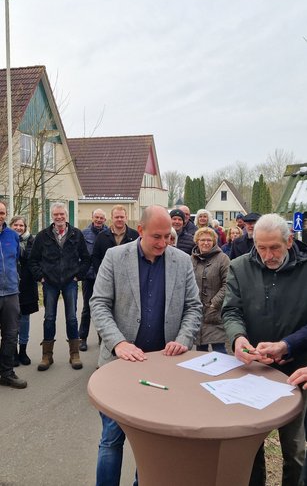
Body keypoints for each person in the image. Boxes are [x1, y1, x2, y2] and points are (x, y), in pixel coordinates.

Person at [90, 205, 202, 486]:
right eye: (157, 237)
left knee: (152, 442)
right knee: (111, 439)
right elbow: (99, 304)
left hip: (163, 367)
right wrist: (118, 343)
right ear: (140, 231)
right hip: (120, 366)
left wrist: (183, 339)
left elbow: (193, 308)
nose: (163, 243)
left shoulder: (181, 261)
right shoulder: (115, 257)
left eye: (168, 236)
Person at [222, 213, 307, 486]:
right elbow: (231, 310)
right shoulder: (239, 267)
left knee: (294, 448)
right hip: (253, 370)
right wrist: (238, 339)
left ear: (289, 240)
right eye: (261, 248)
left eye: (275, 248)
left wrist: (287, 345)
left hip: (296, 372)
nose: (268, 255)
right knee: (250, 446)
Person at [29, 202, 90, 371]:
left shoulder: (76, 234)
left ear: (66, 215)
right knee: (49, 318)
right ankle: (47, 356)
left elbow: (86, 258)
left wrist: (79, 275)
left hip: (70, 282)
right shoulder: (43, 236)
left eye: (62, 214)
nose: (59, 217)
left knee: (71, 317)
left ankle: (74, 354)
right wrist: (40, 277)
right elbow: (33, 260)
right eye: (56, 214)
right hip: (50, 283)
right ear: (52, 216)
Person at [0, 201, 27, 389]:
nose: (0, 215)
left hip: (10, 293)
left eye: (2, 212)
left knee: (11, 335)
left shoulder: (12, 236)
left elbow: (15, 258)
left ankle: (7, 373)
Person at [191, 227, 230, 353]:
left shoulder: (222, 259)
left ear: (214, 242)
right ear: (197, 241)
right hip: (197, 312)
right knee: (200, 350)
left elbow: (228, 283)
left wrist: (214, 303)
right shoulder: (191, 259)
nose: (206, 243)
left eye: (209, 240)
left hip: (215, 312)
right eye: (202, 240)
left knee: (219, 350)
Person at [9, 215, 39, 366]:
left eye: (21, 225)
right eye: (16, 225)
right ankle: (12, 352)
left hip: (27, 285)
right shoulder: (6, 240)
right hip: (9, 286)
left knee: (25, 319)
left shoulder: (32, 241)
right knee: (10, 320)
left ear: (25, 227)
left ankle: (23, 351)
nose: (19, 228)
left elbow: (33, 258)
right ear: (11, 226)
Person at [79, 209, 108, 352]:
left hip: (105, 277)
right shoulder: (84, 234)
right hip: (89, 277)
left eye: (101, 218)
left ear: (105, 219)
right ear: (92, 218)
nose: (99, 220)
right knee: (87, 308)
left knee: (105, 308)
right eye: (96, 217)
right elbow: (80, 254)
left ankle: (103, 337)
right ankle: (82, 338)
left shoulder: (108, 234)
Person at [92, 204, 138, 274]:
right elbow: (95, 257)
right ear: (112, 218)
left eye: (122, 217)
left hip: (128, 277)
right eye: (117, 217)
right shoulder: (102, 236)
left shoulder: (135, 236)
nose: (119, 219)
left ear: (126, 218)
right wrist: (101, 273)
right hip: (107, 276)